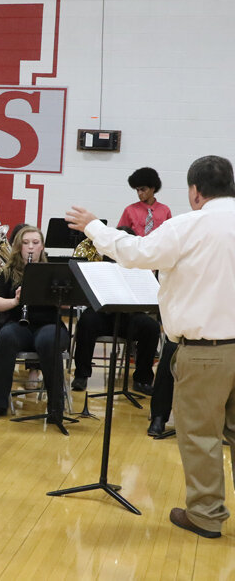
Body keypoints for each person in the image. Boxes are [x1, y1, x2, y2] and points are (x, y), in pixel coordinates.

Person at [67, 155, 235, 539]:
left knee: (201, 435)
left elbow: (136, 254)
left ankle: (207, 515)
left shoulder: (189, 226)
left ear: (195, 191)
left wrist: (94, 226)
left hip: (205, 350)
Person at [0, 226, 68, 425]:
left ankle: (56, 407)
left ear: (42, 247)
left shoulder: (54, 271)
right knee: (5, 337)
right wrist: (15, 301)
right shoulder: (8, 272)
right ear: (19, 247)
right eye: (26, 243)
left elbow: (69, 302)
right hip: (20, 325)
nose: (30, 248)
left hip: (49, 325)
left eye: (35, 243)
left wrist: (56, 295)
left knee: (48, 341)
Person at [70, 308, 160, 394]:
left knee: (151, 327)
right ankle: (81, 376)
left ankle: (142, 380)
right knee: (86, 320)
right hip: (101, 312)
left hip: (128, 316)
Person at [117, 167, 172, 236]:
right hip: (136, 245)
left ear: (153, 188)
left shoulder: (165, 210)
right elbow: (119, 234)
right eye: (137, 190)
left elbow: (169, 234)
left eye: (143, 189)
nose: (139, 193)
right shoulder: (129, 210)